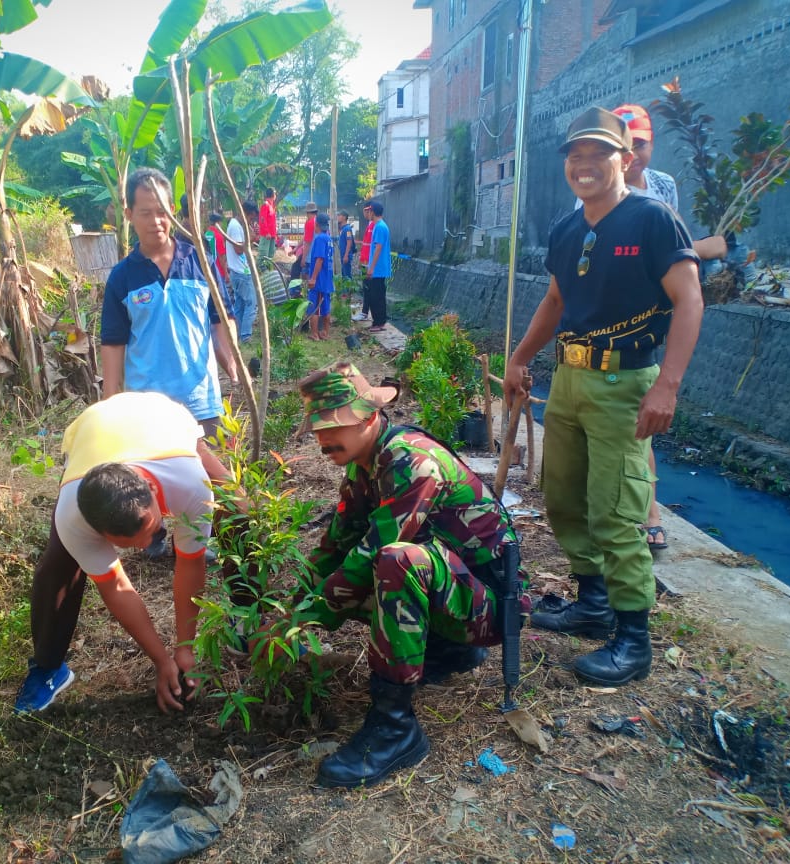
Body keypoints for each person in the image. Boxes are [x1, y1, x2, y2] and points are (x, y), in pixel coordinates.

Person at [504, 107, 703, 686]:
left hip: (625, 383)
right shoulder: (568, 229)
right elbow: (557, 301)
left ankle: (633, 640)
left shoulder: (652, 220)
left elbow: (689, 300)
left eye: (599, 153)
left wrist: (667, 384)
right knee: (564, 499)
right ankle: (592, 602)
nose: (585, 164)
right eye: (575, 155)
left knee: (617, 510)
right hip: (569, 380)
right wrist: (520, 357)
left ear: (628, 159)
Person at [297, 362, 520, 788]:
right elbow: (335, 545)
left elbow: (365, 560)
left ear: (368, 417)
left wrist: (305, 621)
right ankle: (449, 651)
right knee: (371, 570)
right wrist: (291, 610)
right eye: (318, 429)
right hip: (456, 595)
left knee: (395, 563)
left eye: (333, 425)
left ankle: (395, 727)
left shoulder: (411, 461)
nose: (323, 439)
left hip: (489, 610)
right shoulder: (365, 466)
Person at [14, 392, 228, 714]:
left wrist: (185, 648)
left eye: (153, 530)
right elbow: (115, 585)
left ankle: (252, 620)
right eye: (131, 545)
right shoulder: (74, 513)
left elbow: (191, 563)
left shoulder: (191, 485)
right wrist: (160, 659)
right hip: (95, 428)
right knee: (57, 565)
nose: (145, 547)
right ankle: (47, 669)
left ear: (155, 492)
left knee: (241, 508)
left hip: (164, 417)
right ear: (96, 529)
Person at [611, 103, 728, 553]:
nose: (632, 155)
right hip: (613, 317)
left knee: (641, 411)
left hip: (655, 315)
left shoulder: (663, 187)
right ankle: (646, 509)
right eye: (624, 146)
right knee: (627, 413)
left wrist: (692, 252)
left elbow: (672, 250)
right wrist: (707, 247)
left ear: (652, 144)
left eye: (639, 144)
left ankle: (647, 507)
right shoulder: (601, 185)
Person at [101, 168, 238, 435]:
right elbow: (113, 343)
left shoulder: (200, 263)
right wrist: (110, 403)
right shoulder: (122, 278)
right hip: (147, 413)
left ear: (172, 210)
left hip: (202, 406)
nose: (156, 221)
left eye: (162, 212)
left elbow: (221, 319)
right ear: (129, 215)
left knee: (212, 477)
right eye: (145, 213)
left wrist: (232, 364)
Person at [225, 200, 260, 344]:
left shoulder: (238, 225)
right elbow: (239, 249)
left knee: (240, 305)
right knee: (252, 303)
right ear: (245, 213)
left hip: (239, 271)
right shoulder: (235, 226)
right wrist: (249, 238)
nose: (251, 221)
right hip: (241, 272)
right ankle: (245, 336)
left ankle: (236, 334)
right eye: (251, 218)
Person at [305, 212, 335, 340]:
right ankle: (325, 333)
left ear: (316, 225)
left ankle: (315, 333)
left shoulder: (319, 239)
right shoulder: (329, 239)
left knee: (314, 307)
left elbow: (319, 259)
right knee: (326, 307)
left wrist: (313, 278)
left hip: (319, 280)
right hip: (327, 279)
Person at [363, 200, 391, 333]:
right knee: (378, 295)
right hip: (379, 268)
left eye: (369, 211)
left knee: (376, 296)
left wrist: (371, 267)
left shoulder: (379, 227)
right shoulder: (380, 226)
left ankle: (378, 322)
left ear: (373, 212)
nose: (368, 213)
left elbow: (378, 248)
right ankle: (379, 322)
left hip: (378, 268)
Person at [352, 202, 375, 322]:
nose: (365, 213)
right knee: (366, 288)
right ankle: (365, 312)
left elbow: (371, 248)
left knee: (368, 289)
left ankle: (365, 312)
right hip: (366, 263)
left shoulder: (374, 227)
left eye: (366, 211)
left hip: (368, 264)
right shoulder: (370, 226)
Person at [258, 187, 279, 260]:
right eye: (275, 193)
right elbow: (262, 220)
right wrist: (267, 232)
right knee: (264, 253)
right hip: (266, 235)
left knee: (270, 254)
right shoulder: (266, 205)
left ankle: (268, 268)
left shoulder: (271, 206)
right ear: (273, 195)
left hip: (272, 234)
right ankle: (261, 268)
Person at [337, 209, 356, 279]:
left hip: (346, 255)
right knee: (344, 274)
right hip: (343, 255)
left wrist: (346, 255)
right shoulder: (342, 229)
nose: (338, 217)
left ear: (344, 217)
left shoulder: (347, 229)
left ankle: (349, 289)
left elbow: (349, 242)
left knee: (347, 275)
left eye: (339, 215)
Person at [301, 201, 318, 274]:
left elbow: (307, 242)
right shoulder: (318, 222)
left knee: (307, 278)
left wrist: (303, 258)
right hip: (318, 256)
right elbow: (305, 238)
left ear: (308, 212)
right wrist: (296, 248)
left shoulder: (310, 223)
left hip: (309, 257)